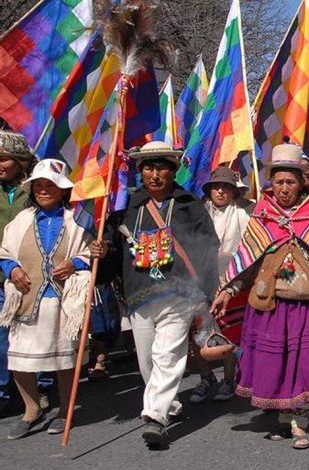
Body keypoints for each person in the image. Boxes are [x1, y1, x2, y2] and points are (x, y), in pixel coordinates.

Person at [212, 142, 309, 450]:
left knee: (304, 363)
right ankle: (282, 416)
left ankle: (300, 421)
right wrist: (229, 289)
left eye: (291, 181)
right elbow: (247, 260)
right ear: (271, 183)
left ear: (302, 182)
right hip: (270, 303)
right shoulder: (263, 214)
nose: (284, 188)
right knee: (274, 361)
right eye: (279, 182)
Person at [91, 141, 220, 448]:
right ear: (141, 171)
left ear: (174, 170)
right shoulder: (127, 205)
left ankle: (155, 417)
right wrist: (103, 249)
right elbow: (111, 244)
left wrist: (205, 289)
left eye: (162, 167)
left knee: (167, 355)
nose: (154, 174)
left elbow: (208, 248)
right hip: (138, 294)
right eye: (148, 167)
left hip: (179, 294)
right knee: (148, 361)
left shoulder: (189, 204)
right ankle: (168, 404)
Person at [0, 159, 92, 439]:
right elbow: (4, 253)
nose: (43, 190)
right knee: (18, 360)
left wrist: (75, 263)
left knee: (64, 360)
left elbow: (90, 255)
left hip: (62, 301)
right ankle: (31, 409)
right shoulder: (21, 221)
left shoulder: (76, 220)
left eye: (49, 185)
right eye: (38, 185)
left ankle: (65, 411)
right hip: (27, 299)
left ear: (63, 190)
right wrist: (13, 270)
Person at [188, 166, 252, 404]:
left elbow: (249, 246)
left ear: (234, 191)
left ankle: (228, 379)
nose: (221, 191)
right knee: (198, 333)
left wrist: (235, 280)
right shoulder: (199, 213)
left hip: (233, 280)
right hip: (200, 281)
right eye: (216, 186)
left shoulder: (243, 214)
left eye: (226, 187)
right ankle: (206, 378)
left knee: (229, 332)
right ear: (209, 190)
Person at [0, 131, 36, 415]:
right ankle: (4, 391)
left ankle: (44, 386)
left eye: (3, 159)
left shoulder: (36, 189)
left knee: (32, 333)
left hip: (31, 274)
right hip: (3, 272)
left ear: (21, 161)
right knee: (2, 339)